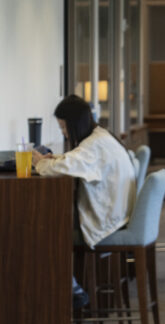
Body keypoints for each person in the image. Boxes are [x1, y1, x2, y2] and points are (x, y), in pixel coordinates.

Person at [32, 95, 139, 308]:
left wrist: (39, 163)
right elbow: (74, 160)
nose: (63, 132)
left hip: (108, 221)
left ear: (75, 124)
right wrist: (54, 159)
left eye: (64, 127)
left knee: (44, 230)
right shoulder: (100, 136)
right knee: (50, 224)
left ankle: (73, 289)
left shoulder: (94, 145)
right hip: (117, 214)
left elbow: (64, 166)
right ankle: (71, 287)